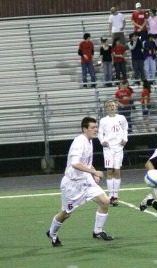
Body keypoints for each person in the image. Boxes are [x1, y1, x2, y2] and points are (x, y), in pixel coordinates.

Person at [45, 117, 113, 245]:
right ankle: (52, 233)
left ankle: (97, 231)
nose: (96, 130)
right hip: (72, 184)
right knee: (66, 214)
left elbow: (86, 163)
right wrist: (94, 172)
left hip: (85, 180)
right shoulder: (79, 142)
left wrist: (93, 173)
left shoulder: (90, 141)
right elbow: (75, 164)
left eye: (96, 127)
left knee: (104, 201)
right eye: (93, 128)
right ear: (84, 129)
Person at [98, 100, 128, 206]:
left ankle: (116, 195)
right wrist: (102, 141)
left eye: (113, 105)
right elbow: (100, 133)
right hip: (108, 149)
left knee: (117, 170)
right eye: (109, 106)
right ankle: (110, 196)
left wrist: (125, 139)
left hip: (119, 148)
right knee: (109, 170)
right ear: (106, 108)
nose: (111, 107)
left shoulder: (121, 118)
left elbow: (125, 129)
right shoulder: (103, 120)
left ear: (116, 107)